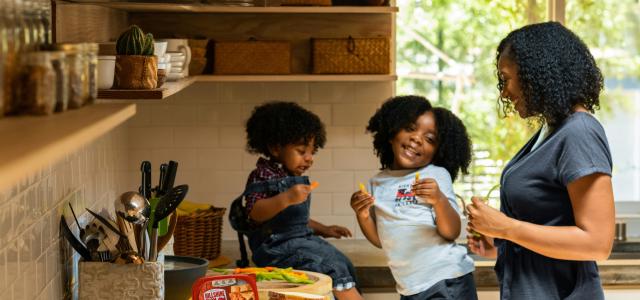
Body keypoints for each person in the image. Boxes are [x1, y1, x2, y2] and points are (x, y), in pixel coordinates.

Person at [466, 21, 615, 300]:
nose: (504, 92)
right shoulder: (551, 130)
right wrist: (500, 245)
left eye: (506, 78)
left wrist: (506, 228)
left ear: (535, 74)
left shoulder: (579, 132)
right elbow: (552, 229)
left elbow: (597, 243)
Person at [351, 95, 477, 299]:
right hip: (409, 287)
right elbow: (381, 240)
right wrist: (363, 215)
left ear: (437, 151)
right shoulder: (377, 183)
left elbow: (451, 231)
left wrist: (439, 201)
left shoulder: (436, 175)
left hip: (446, 280)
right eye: (410, 128)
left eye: (429, 139)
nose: (417, 139)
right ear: (391, 133)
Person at [241, 101, 363, 300]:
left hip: (300, 240)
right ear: (275, 147)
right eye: (301, 151)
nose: (309, 158)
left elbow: (293, 220)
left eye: (312, 152)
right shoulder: (262, 175)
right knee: (330, 267)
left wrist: (324, 229)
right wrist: (286, 198)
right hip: (275, 248)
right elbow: (254, 212)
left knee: (342, 262)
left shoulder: (290, 176)